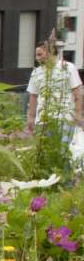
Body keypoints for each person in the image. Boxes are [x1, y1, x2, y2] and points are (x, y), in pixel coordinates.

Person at [26, 41, 84, 175]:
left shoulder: (67, 67)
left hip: (64, 118)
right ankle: (49, 184)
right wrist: (30, 118)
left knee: (62, 152)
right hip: (43, 121)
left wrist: (77, 114)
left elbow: (77, 92)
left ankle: (66, 184)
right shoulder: (36, 72)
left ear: (50, 52)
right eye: (36, 55)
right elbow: (33, 96)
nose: (37, 58)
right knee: (45, 153)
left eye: (39, 54)